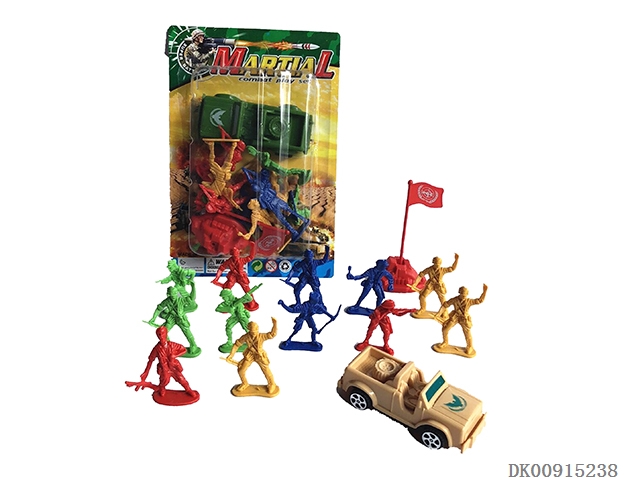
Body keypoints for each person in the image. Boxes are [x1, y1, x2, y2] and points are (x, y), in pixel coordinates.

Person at [226, 318, 278, 394]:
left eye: (255, 331)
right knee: (241, 370)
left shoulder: (262, 336)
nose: (254, 333)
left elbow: (272, 334)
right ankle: (245, 383)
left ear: (258, 329)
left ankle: (272, 384)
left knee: (266, 370)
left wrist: (275, 324)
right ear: (249, 330)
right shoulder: (246, 336)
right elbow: (237, 344)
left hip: (260, 355)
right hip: (249, 355)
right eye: (252, 331)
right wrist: (231, 355)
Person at [437, 284, 488, 356]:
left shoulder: (469, 301)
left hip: (464, 319)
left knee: (467, 333)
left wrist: (484, 291)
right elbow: (445, 305)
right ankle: (445, 342)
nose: (464, 296)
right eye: (462, 294)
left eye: (465, 295)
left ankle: (470, 347)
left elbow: (480, 300)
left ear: (467, 294)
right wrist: (439, 314)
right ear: (459, 293)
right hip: (455, 317)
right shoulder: (454, 299)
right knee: (445, 329)